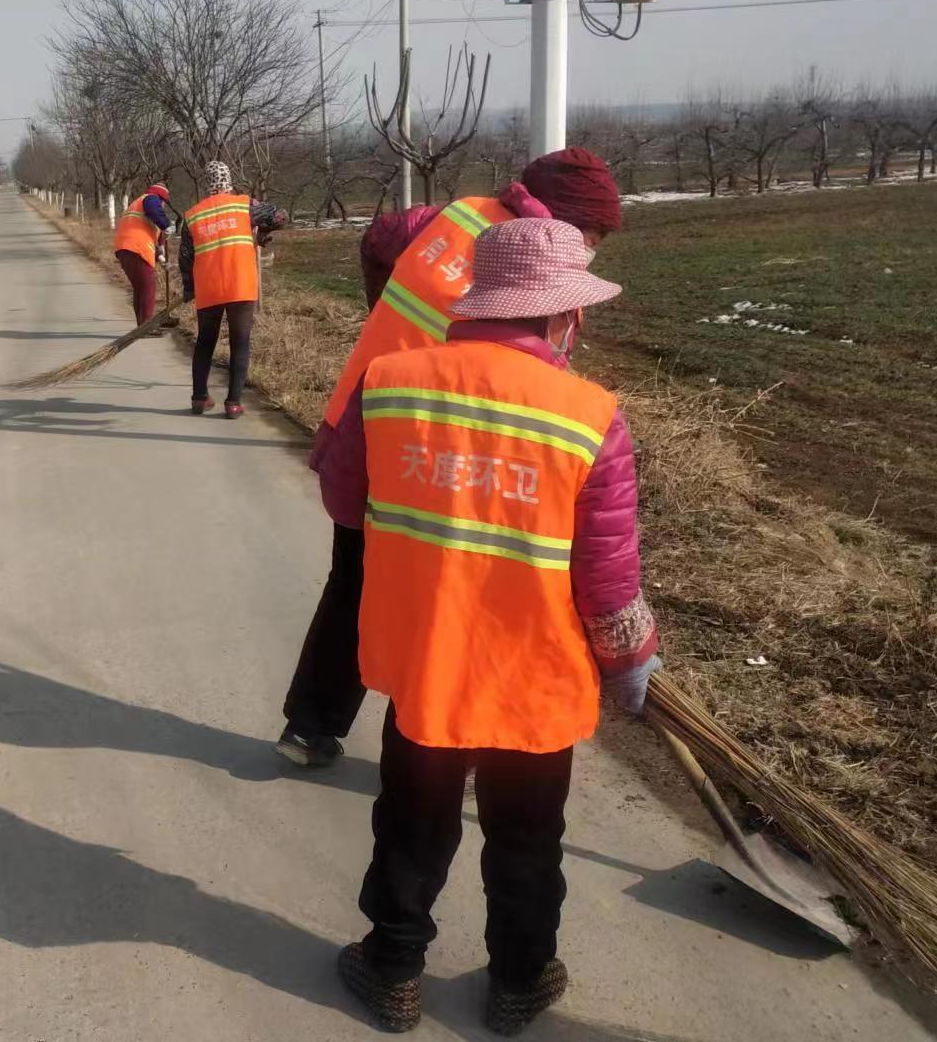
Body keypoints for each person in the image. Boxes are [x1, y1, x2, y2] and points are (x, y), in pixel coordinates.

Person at [314, 217, 658, 1035]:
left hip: (426, 660)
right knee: (529, 836)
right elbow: (608, 581)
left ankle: (393, 971)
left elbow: (340, 498)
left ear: (479, 305)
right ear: (561, 317)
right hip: (532, 677)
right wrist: (630, 657)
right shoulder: (590, 415)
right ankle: (520, 981)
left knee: (412, 820)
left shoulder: (391, 382)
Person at [277, 148, 628, 769]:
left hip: (367, 417)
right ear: (565, 220)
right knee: (449, 590)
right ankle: (440, 738)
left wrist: (380, 311)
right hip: (431, 440)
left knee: (357, 577)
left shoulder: (454, 215)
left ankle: (313, 725)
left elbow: (380, 237)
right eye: (594, 234)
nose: (594, 247)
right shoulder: (529, 261)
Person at [178, 161, 285, 418]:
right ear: (229, 181)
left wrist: (189, 288)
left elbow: (185, 257)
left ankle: (199, 398)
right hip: (241, 286)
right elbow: (281, 216)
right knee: (240, 343)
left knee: (205, 342)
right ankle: (233, 403)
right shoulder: (246, 205)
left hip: (209, 288)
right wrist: (263, 232)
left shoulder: (192, 215)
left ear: (207, 184)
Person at [112, 184, 171, 327]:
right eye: (163, 203)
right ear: (161, 198)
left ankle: (142, 325)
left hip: (124, 249)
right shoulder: (150, 199)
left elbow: (154, 242)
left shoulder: (137, 206)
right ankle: (146, 326)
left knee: (140, 288)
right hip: (137, 249)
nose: (163, 206)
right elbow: (155, 211)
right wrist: (167, 225)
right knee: (148, 287)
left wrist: (162, 259)